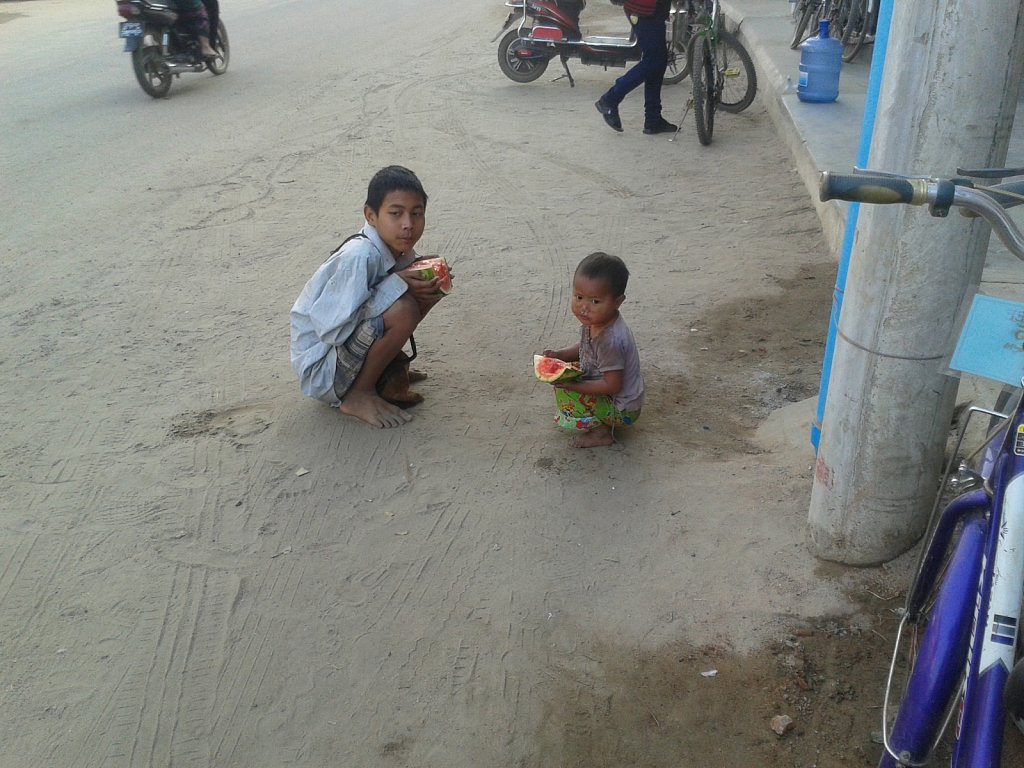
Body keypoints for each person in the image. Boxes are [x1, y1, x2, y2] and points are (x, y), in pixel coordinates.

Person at [290, 166, 445, 429]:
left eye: (416, 213)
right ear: (370, 216)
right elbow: (331, 330)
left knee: (428, 278)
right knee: (404, 308)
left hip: (345, 354)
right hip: (323, 369)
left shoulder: (396, 248)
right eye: (396, 214)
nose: (408, 224)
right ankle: (358, 394)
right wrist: (396, 286)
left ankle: (384, 368)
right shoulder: (359, 256)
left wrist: (409, 282)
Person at [540, 252, 644, 448]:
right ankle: (601, 419)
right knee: (569, 369)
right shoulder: (599, 321)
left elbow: (612, 386)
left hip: (622, 409)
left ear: (618, 301)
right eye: (579, 297)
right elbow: (587, 348)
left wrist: (574, 387)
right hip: (617, 396)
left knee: (565, 392)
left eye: (595, 301)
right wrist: (560, 355)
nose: (584, 308)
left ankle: (602, 432)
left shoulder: (609, 342)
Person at [594, 0, 677, 135]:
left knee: (659, 60)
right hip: (644, 10)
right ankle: (610, 99)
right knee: (653, 61)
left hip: (652, 9)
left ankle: (653, 119)